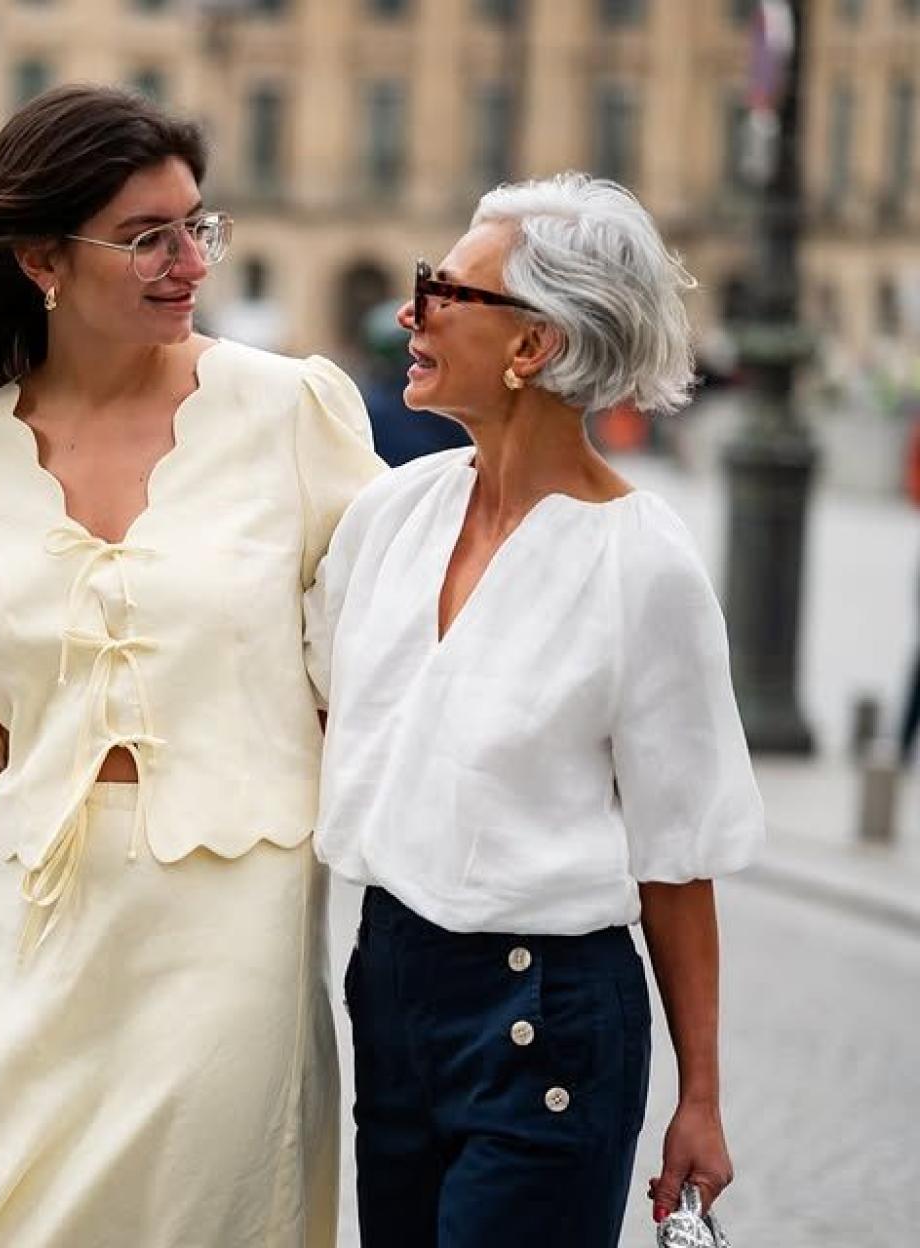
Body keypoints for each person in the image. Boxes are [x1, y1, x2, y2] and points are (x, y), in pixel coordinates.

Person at [0, 85, 382, 1248]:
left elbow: (382, 674)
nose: (190, 261)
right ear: (43, 255)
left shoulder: (293, 412)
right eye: (148, 236)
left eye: (199, 226)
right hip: (30, 930)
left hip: (235, 927)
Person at [304, 173, 766, 1248]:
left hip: (546, 1020)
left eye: (446, 291)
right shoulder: (393, 515)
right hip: (391, 989)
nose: (412, 314)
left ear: (537, 345)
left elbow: (676, 851)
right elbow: (317, 711)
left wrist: (700, 1096)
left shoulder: (641, 566)